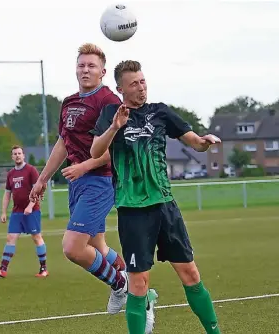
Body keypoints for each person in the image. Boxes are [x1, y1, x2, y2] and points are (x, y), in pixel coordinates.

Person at [90, 60, 222, 334]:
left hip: (165, 207)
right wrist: (115, 126)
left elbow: (195, 143)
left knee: (191, 274)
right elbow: (95, 151)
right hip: (133, 211)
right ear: (120, 88)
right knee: (139, 284)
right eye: (134, 84)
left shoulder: (160, 112)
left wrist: (205, 142)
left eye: (143, 81)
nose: (141, 88)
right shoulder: (111, 114)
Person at [30, 43, 128, 312]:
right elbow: (63, 143)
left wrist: (84, 166)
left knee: (73, 247)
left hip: (100, 181)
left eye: (91, 66)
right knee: (98, 245)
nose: (85, 70)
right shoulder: (69, 102)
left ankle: (121, 286)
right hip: (78, 184)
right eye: (81, 65)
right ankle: (131, 277)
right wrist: (42, 179)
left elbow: (116, 149)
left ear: (103, 71)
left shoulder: (109, 101)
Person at [0, 145, 48, 278]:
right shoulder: (11, 174)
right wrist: (3, 212)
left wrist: (30, 206)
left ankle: (44, 269)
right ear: (12, 157)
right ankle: (2, 269)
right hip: (17, 212)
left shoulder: (31, 170)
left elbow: (37, 190)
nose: (17, 155)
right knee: (10, 238)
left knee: (36, 237)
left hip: (32, 211)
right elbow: (7, 194)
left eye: (19, 153)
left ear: (23, 155)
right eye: (15, 154)